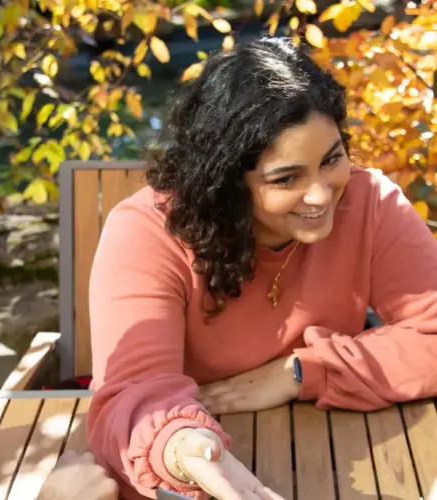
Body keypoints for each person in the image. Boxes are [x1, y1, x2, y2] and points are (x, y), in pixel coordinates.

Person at [80, 35, 437, 500]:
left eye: (331, 160)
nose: (321, 194)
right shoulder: (146, 232)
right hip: (199, 465)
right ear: (226, 182)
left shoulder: (371, 202)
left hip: (333, 439)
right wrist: (186, 446)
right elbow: (133, 395)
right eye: (286, 178)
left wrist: (302, 372)